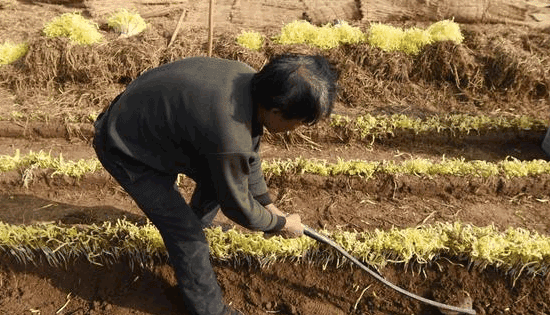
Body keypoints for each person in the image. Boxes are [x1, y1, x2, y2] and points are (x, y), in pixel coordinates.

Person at [92, 54, 339, 315]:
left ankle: (188, 247)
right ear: (277, 111)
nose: (297, 129)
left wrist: (268, 204)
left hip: (146, 122)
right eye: (300, 122)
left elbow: (248, 154)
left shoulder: (248, 82)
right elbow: (239, 209)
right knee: (186, 234)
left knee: (216, 181)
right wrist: (280, 224)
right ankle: (210, 310)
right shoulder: (230, 133)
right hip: (125, 148)